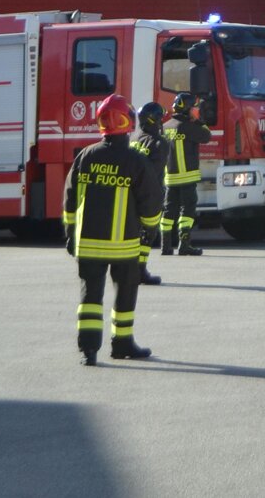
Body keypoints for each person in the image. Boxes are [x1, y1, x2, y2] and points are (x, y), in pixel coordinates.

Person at [63, 92, 162, 366]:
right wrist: (149, 230)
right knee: (126, 292)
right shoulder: (136, 160)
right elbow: (150, 201)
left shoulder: (86, 156)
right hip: (124, 245)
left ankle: (89, 350)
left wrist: (70, 233)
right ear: (128, 121)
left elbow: (70, 198)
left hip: (88, 244)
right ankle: (122, 343)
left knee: (90, 297)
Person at [160, 91, 212, 256]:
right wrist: (200, 120)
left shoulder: (166, 126)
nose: (196, 110)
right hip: (187, 177)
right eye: (194, 108)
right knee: (187, 211)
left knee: (168, 211)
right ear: (187, 109)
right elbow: (206, 136)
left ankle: (165, 246)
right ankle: (184, 244)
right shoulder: (189, 126)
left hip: (170, 178)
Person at [131, 100, 168, 283]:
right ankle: (140, 270)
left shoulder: (134, 139)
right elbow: (155, 174)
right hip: (150, 196)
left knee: (132, 233)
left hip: (131, 194)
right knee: (148, 234)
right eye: (160, 118)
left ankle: (130, 268)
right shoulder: (160, 143)